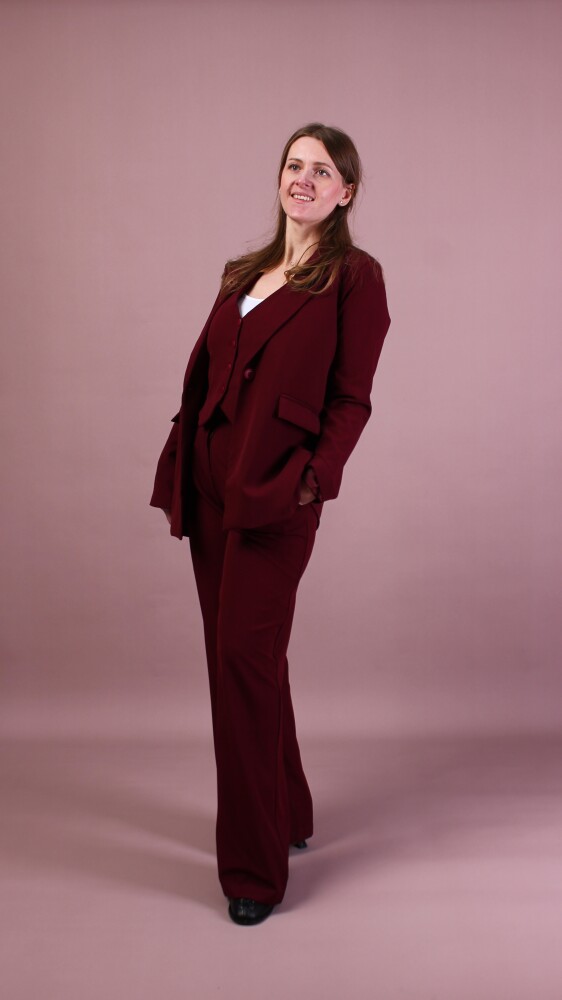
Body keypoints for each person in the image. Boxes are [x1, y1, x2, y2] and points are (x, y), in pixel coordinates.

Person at [150, 122, 391, 925]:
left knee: (241, 661)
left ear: (345, 192)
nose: (303, 180)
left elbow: (351, 398)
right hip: (209, 484)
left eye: (322, 171)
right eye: (294, 165)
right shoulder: (243, 272)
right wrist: (186, 454)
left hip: (276, 493)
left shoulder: (354, 278)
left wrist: (313, 481)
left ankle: (253, 871)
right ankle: (288, 811)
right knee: (248, 659)